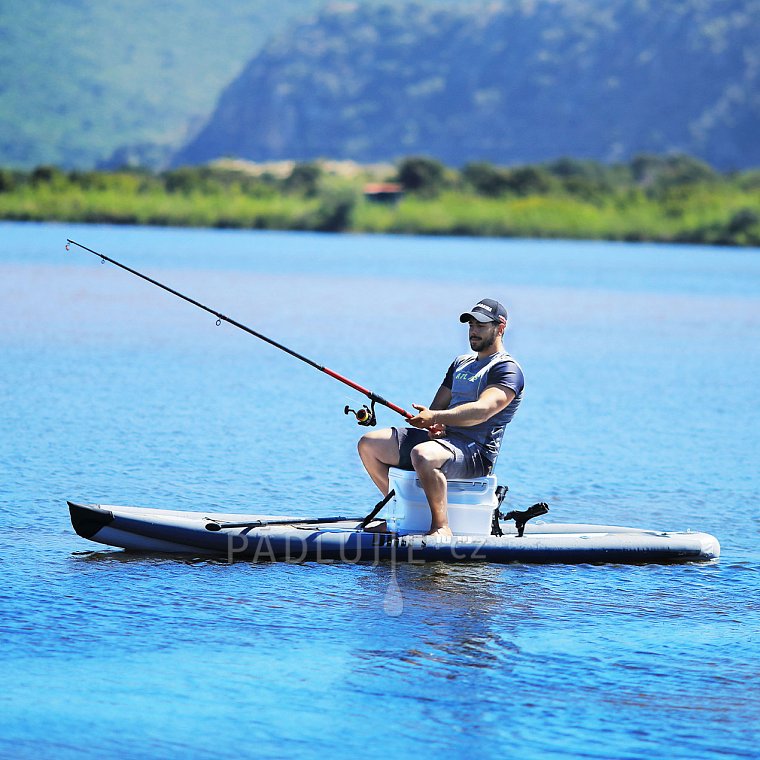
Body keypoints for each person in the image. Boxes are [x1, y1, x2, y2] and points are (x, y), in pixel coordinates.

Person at [358, 298, 524, 536]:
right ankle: (400, 513)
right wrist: (433, 423)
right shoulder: (460, 363)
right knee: (369, 444)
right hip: (446, 442)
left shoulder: (506, 369)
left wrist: (436, 416)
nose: (474, 331)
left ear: (500, 327)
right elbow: (437, 408)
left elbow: (483, 410)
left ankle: (441, 527)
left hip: (476, 452)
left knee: (423, 455)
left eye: (481, 326)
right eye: (471, 325)